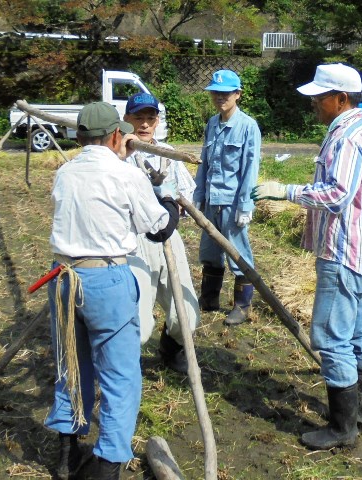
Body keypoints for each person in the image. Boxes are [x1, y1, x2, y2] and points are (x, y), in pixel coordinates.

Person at [251, 63, 362, 450]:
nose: (314, 102)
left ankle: (343, 428)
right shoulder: (361, 132)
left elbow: (337, 194)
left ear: (341, 99)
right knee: (359, 329)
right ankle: (360, 410)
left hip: (344, 252)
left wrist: (286, 190)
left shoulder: (347, 138)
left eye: (320, 96)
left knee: (330, 336)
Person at [45, 101, 179, 479]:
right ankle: (108, 465)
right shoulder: (125, 175)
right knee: (120, 376)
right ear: (117, 135)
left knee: (71, 363)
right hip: (107, 280)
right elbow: (158, 227)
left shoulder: (65, 172)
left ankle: (68, 456)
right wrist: (167, 199)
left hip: (64, 277)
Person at [123, 92, 201, 374]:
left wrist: (172, 200)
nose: (144, 124)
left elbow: (187, 194)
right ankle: (124, 362)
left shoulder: (169, 152)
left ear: (157, 121)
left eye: (150, 118)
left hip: (169, 235)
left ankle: (171, 346)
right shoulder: (121, 155)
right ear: (127, 120)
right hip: (136, 240)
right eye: (138, 118)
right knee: (140, 324)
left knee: (187, 316)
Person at [192, 69, 261, 326]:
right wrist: (198, 195)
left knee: (237, 253)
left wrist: (245, 204)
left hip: (232, 203)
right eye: (216, 92)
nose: (220, 97)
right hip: (211, 200)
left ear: (238, 94)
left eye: (226, 93)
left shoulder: (247, 127)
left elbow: (250, 169)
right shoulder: (212, 123)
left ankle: (242, 306)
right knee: (209, 251)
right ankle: (209, 299)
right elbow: (205, 163)